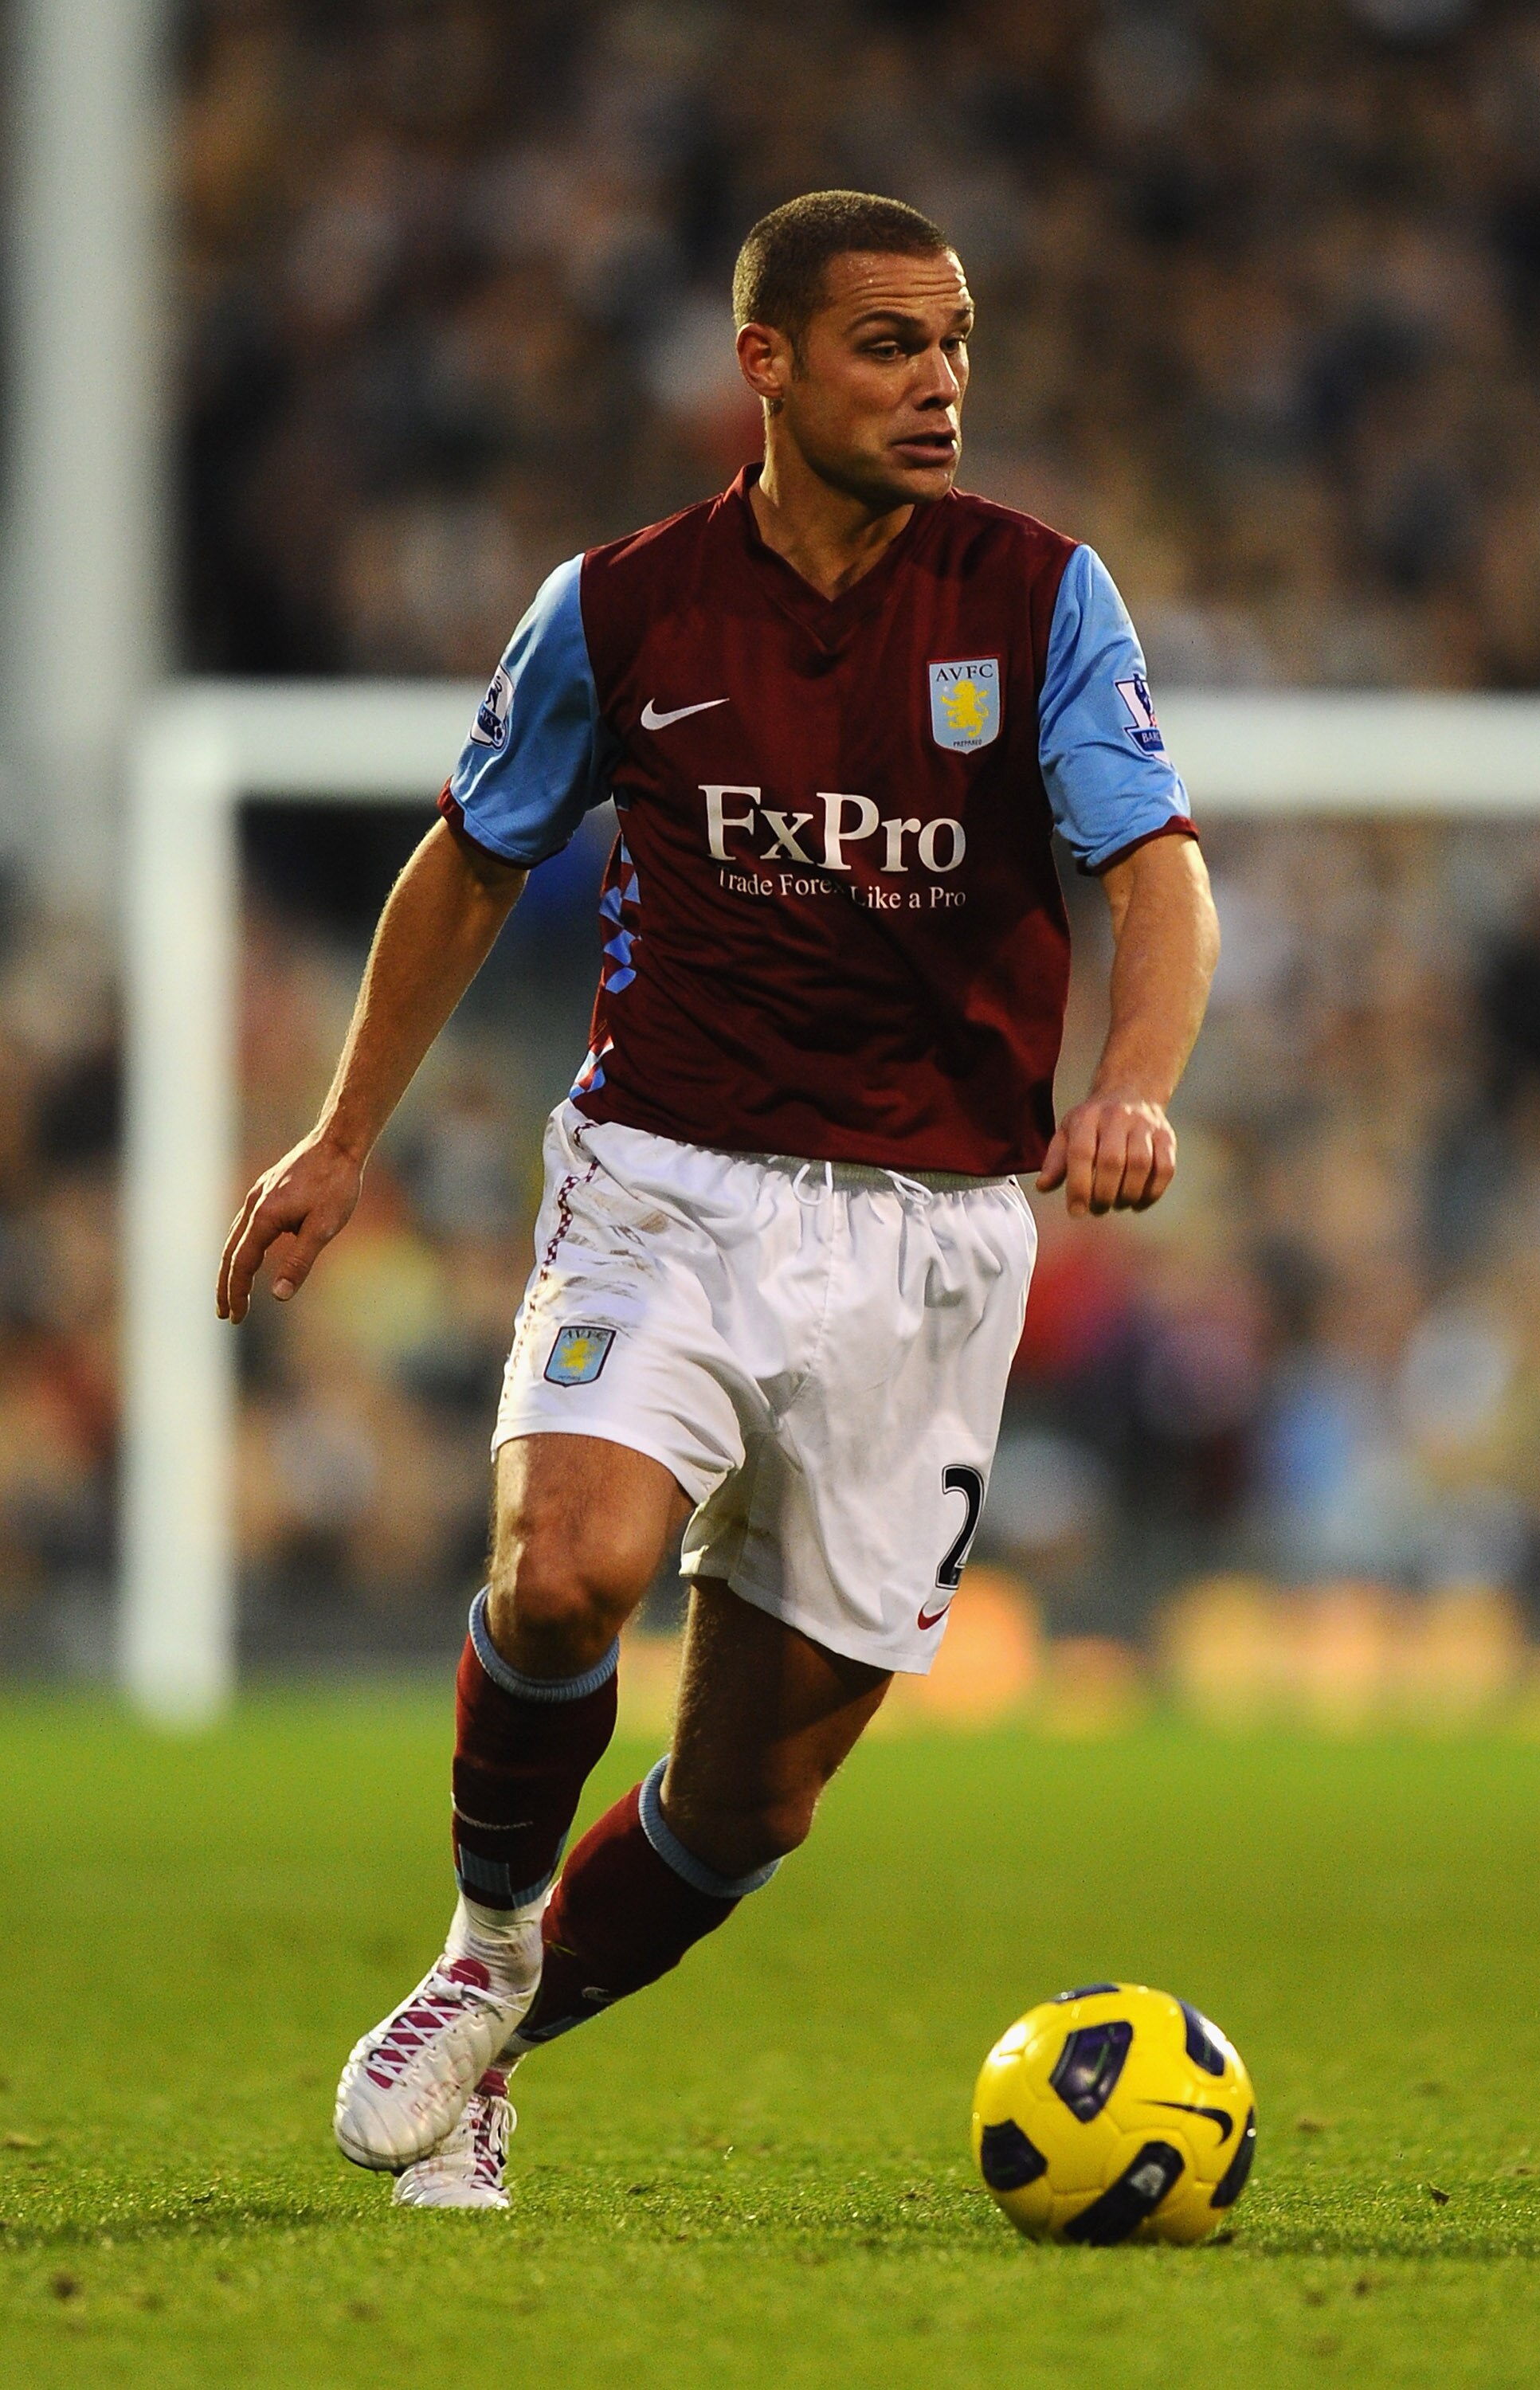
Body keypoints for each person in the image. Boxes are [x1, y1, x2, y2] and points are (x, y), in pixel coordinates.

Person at [217, 189, 1219, 2212]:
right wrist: (340, 1140)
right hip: (662, 1186)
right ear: (764, 363)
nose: (939, 384)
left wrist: (1132, 1085)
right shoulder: (619, 606)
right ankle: (487, 1938)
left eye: (954, 345)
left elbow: (1155, 865)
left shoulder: (1038, 597)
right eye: (887, 345)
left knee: (749, 1800)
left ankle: (500, 2031)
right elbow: (471, 858)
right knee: (565, 1567)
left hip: (932, 1238)